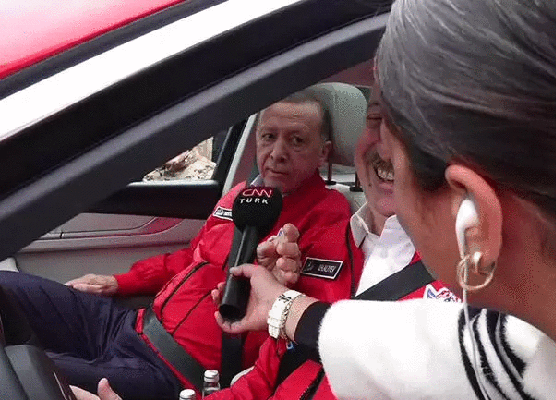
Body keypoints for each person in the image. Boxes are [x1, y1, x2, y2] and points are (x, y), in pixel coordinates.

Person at [207, 0, 556, 399]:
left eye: (395, 154)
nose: (380, 157)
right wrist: (283, 306)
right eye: (373, 119)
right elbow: (438, 350)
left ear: (475, 223)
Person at [71, 73, 460, 400]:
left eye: (411, 127)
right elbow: (261, 380)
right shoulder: (325, 243)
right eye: (375, 120)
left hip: (170, 364)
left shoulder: (466, 284)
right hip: (138, 325)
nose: (389, 146)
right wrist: (121, 282)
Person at [0, 87, 356, 400]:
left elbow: (310, 327)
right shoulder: (240, 197)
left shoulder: (331, 218)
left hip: (172, 371)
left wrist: (284, 285)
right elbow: (189, 257)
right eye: (268, 137)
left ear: (323, 153)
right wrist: (119, 282)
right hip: (131, 324)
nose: (277, 152)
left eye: (296, 141)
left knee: (16, 372)